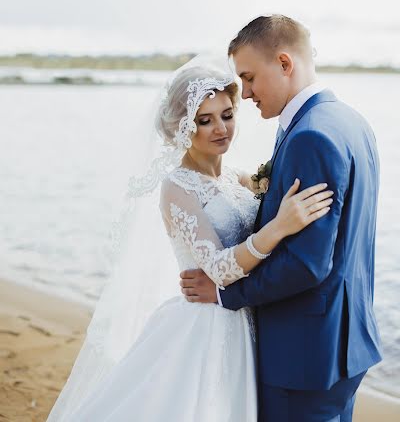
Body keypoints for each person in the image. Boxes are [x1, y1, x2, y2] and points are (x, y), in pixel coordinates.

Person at [46, 57, 331, 421]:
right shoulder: (177, 188)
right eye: (204, 120)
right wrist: (279, 227)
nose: (220, 129)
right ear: (182, 128)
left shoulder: (240, 179)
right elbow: (219, 269)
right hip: (206, 327)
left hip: (245, 319)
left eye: (227, 115)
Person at [181, 15, 382, 422]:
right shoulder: (349, 121)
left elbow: (306, 264)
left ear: (285, 63)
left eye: (250, 77)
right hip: (345, 343)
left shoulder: (310, 135)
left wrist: (224, 295)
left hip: (303, 354)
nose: (247, 92)